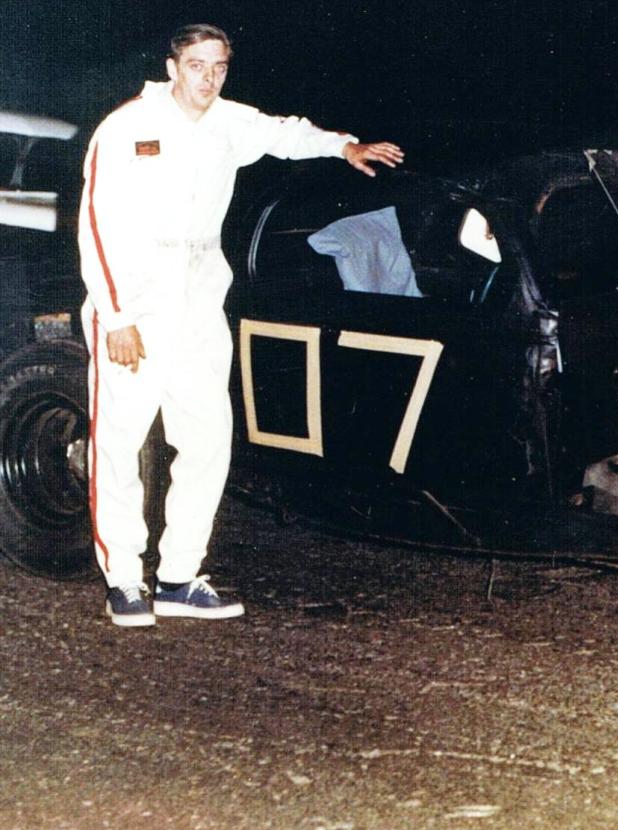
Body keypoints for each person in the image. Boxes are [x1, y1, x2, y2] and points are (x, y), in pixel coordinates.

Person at [78, 23, 404, 626]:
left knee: (206, 438)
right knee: (120, 442)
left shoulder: (229, 121)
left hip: (198, 299)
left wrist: (344, 147)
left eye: (219, 67)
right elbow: (97, 226)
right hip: (135, 303)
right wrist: (117, 315)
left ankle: (178, 577)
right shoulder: (126, 127)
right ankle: (124, 578)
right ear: (172, 67)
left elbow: (286, 134)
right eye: (196, 65)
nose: (208, 78)